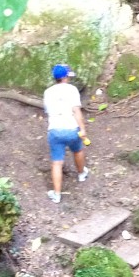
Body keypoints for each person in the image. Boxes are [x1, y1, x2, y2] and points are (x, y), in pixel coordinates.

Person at [42, 63, 88, 204]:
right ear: (65, 77)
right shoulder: (72, 90)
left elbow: (49, 112)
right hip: (71, 129)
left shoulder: (48, 92)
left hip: (55, 130)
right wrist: (83, 129)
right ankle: (81, 174)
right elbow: (76, 111)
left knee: (57, 162)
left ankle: (57, 194)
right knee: (78, 150)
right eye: (68, 76)